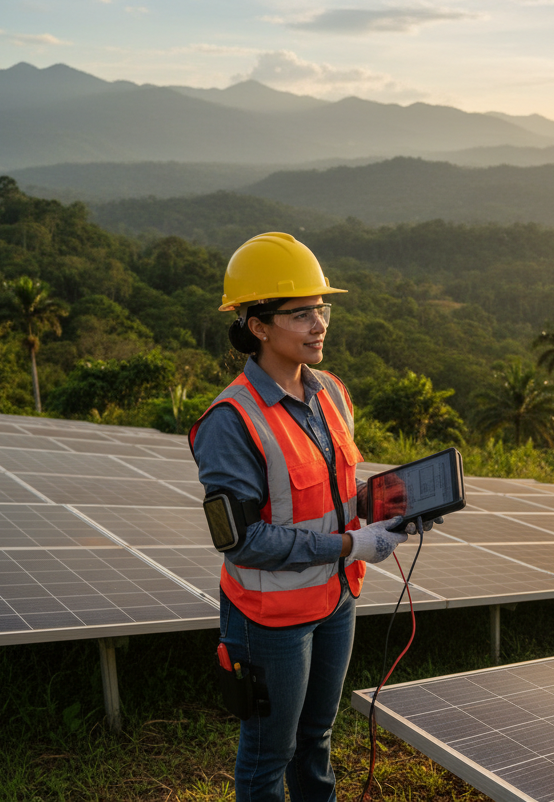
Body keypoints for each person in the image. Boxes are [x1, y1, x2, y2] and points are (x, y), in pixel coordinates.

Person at [189, 232, 419, 802]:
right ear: (258, 326)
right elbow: (243, 542)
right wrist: (349, 547)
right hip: (271, 618)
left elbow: (336, 497)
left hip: (336, 600)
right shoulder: (230, 420)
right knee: (270, 754)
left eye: (321, 309)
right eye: (299, 313)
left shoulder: (331, 393)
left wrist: (390, 509)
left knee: (317, 736)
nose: (319, 324)